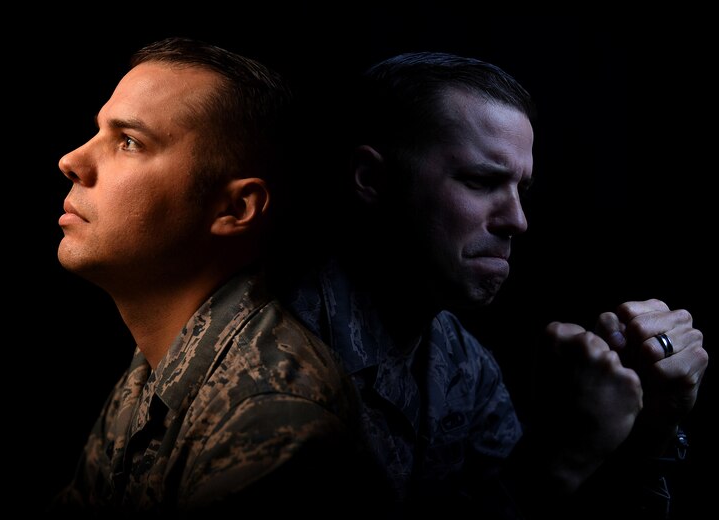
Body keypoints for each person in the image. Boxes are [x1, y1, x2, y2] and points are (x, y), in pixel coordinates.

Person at [280, 52, 709, 518]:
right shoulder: (272, 357)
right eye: (482, 181)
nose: (518, 221)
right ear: (372, 179)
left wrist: (648, 430)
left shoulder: (459, 360)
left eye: (520, 190)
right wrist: (563, 456)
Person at [49, 37, 379, 517]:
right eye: (99, 132)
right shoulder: (154, 363)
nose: (72, 161)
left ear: (235, 208)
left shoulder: (271, 413)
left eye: (129, 142)